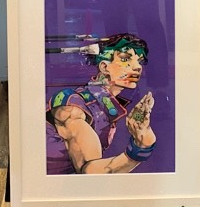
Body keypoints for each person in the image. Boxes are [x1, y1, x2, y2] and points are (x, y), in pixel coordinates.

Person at [46, 33, 156, 175]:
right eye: (125, 59)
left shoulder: (101, 105)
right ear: (104, 67)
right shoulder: (72, 108)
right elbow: (90, 172)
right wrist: (140, 149)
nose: (137, 67)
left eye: (139, 61)